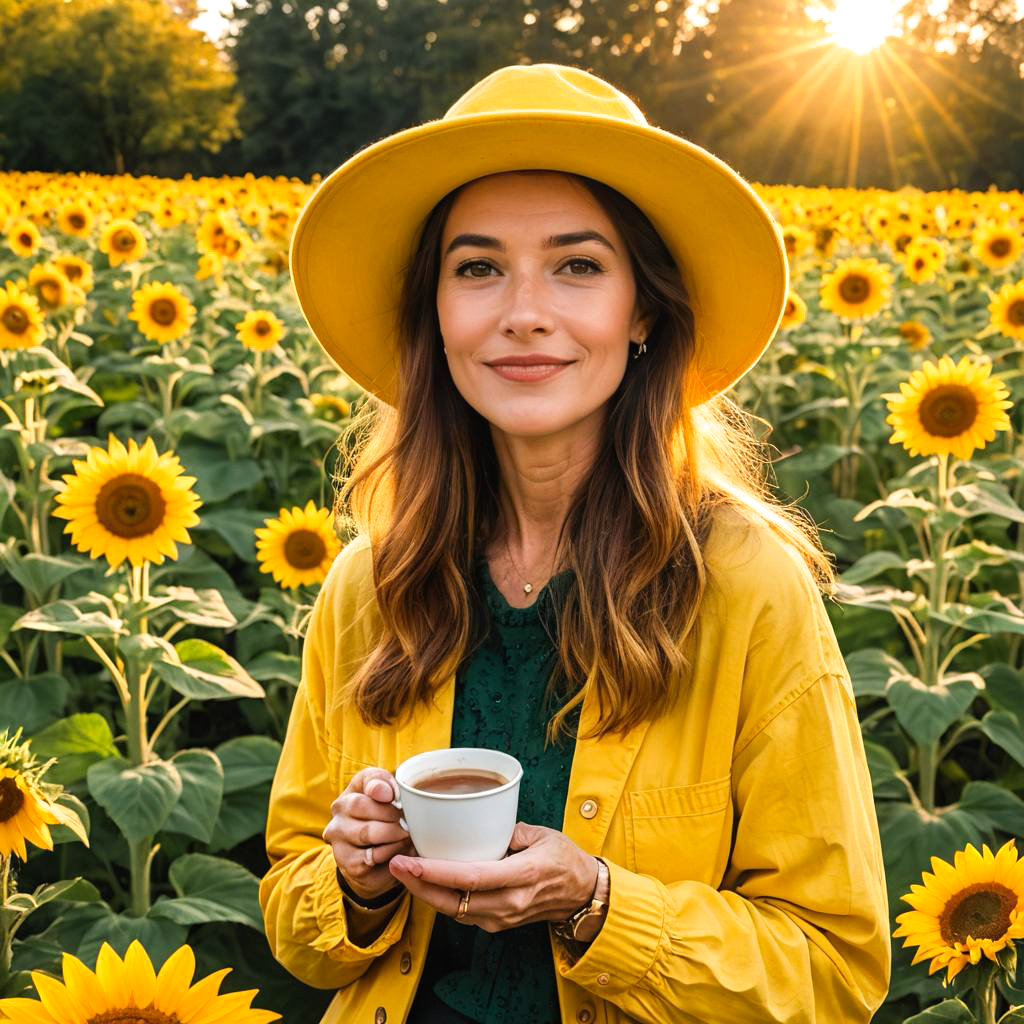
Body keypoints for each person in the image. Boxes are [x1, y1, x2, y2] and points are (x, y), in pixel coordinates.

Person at [258, 62, 892, 1024]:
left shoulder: (746, 585)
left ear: (643, 309)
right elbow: (293, 914)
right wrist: (354, 880)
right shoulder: (372, 582)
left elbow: (834, 968)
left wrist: (600, 905)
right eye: (476, 268)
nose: (523, 312)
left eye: (578, 265)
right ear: (434, 311)